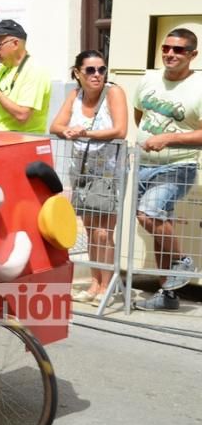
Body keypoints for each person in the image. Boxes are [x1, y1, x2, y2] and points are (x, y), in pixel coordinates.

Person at [132, 28, 202, 311]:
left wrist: (168, 138)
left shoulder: (198, 87)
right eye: (167, 48)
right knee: (159, 226)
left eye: (179, 50)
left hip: (178, 165)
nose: (170, 54)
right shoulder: (148, 79)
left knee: (149, 215)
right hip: (144, 164)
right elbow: (141, 116)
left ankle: (183, 265)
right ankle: (168, 295)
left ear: (192, 55)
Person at [50, 50, 128, 304]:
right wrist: (69, 130)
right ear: (78, 73)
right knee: (93, 229)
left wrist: (85, 133)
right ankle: (96, 282)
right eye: (91, 70)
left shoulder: (113, 92)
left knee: (105, 232)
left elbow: (120, 129)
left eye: (102, 70)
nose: (97, 75)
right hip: (82, 170)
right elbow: (55, 126)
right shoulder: (75, 95)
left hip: (108, 172)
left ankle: (108, 285)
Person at [0, 19, 51, 133]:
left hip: (21, 142)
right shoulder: (5, 69)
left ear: (15, 43)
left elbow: (22, 116)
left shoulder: (34, 70)